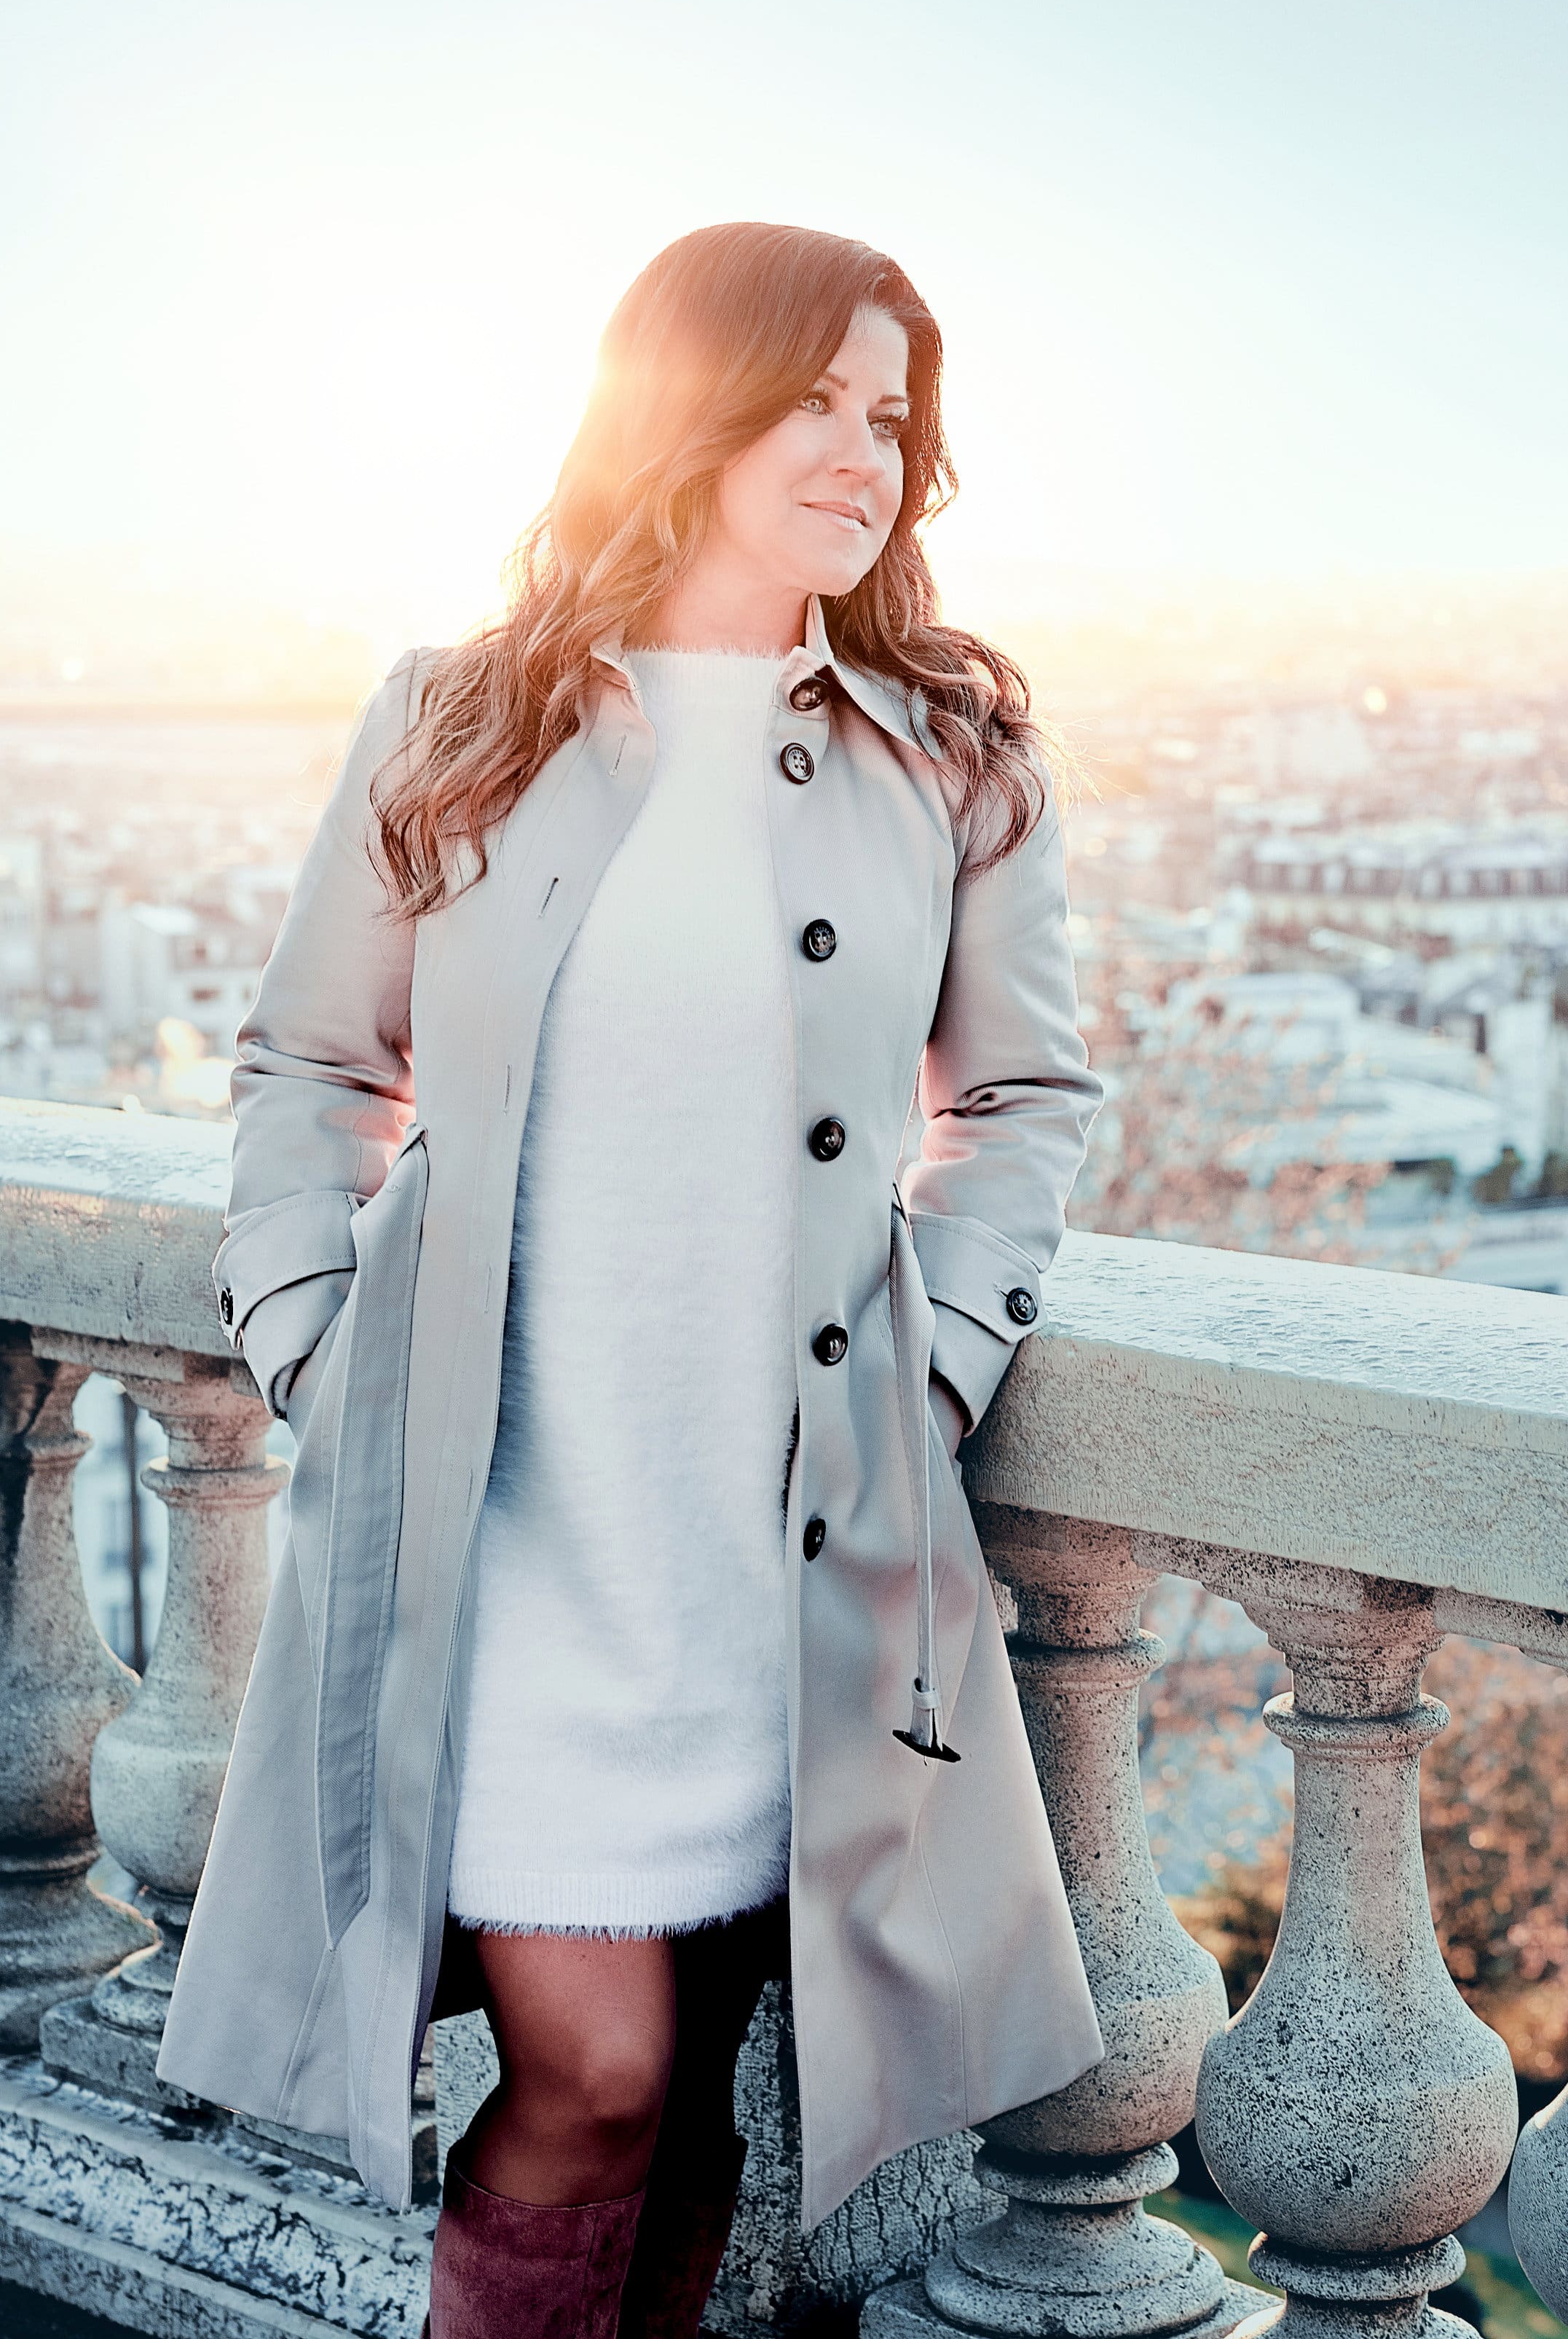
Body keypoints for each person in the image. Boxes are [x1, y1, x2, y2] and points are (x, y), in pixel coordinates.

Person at [160, 223, 1106, 2339]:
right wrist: (309, 1334)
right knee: (591, 2078)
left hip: (775, 1551)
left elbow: (1025, 1098)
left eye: (895, 416)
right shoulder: (459, 716)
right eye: (817, 400)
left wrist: (935, 1367)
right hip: (501, 1545)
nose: (867, 454)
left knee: (692, 2117)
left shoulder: (948, 744)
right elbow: (315, 1058)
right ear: (690, 406)